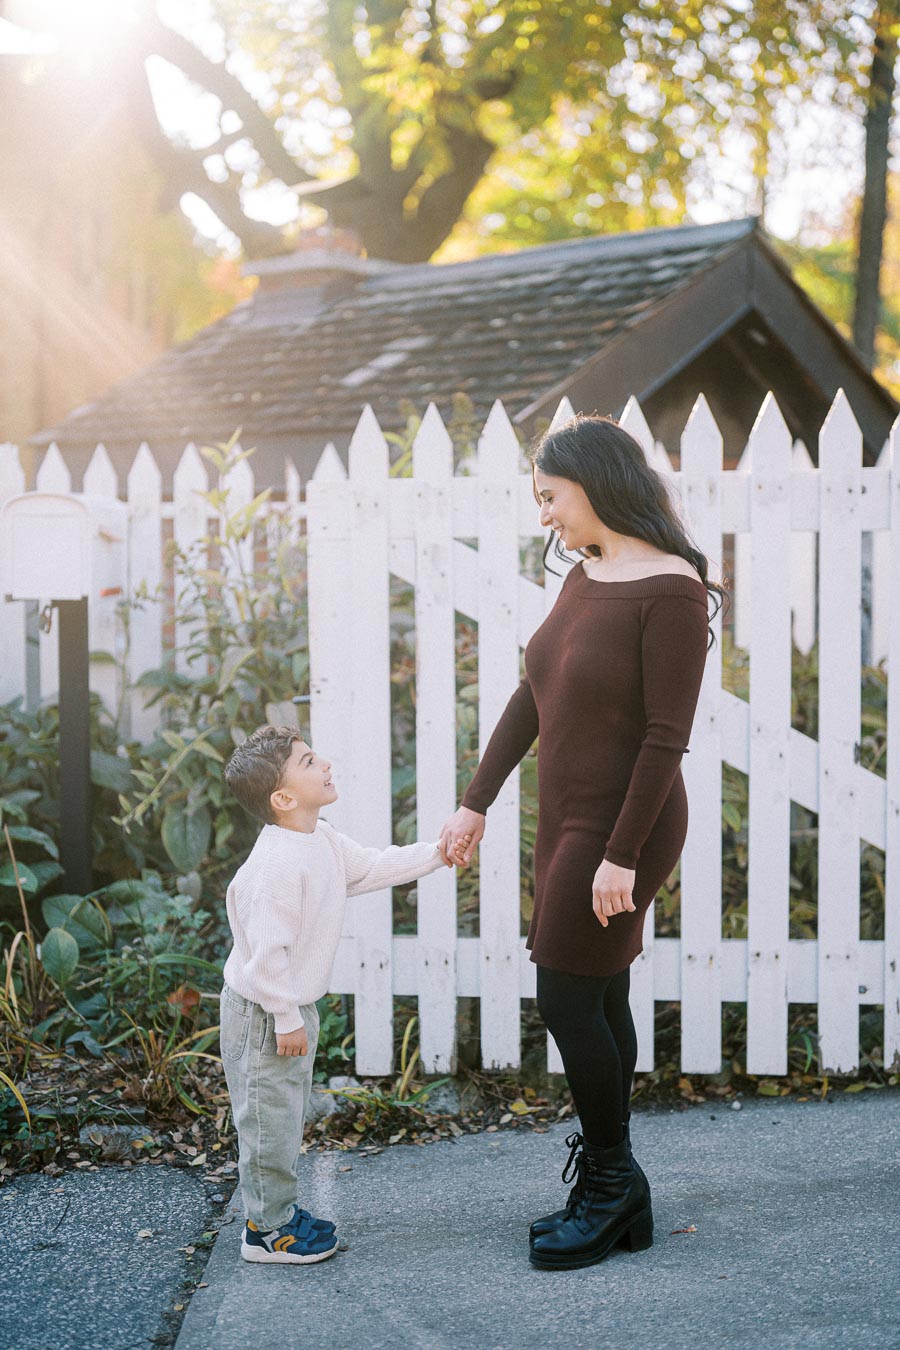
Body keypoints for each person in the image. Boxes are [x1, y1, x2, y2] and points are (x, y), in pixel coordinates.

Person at [439, 414, 726, 1271]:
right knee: (599, 997)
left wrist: (622, 855)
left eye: (550, 497)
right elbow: (536, 690)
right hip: (566, 813)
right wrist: (476, 801)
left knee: (565, 996)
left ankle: (611, 1185)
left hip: (624, 821)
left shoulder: (672, 590)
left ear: (594, 483)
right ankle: (615, 1185)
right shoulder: (586, 573)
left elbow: (666, 737)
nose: (545, 517)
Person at [221, 724, 449, 1265]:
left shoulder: (318, 838)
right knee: (266, 1121)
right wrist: (285, 1017)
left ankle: (277, 1212)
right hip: (265, 1012)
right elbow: (264, 958)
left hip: (290, 1007)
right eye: (307, 762)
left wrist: (438, 854)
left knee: (283, 1115)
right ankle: (267, 1232)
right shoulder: (275, 865)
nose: (323, 763)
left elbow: (370, 866)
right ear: (283, 798)